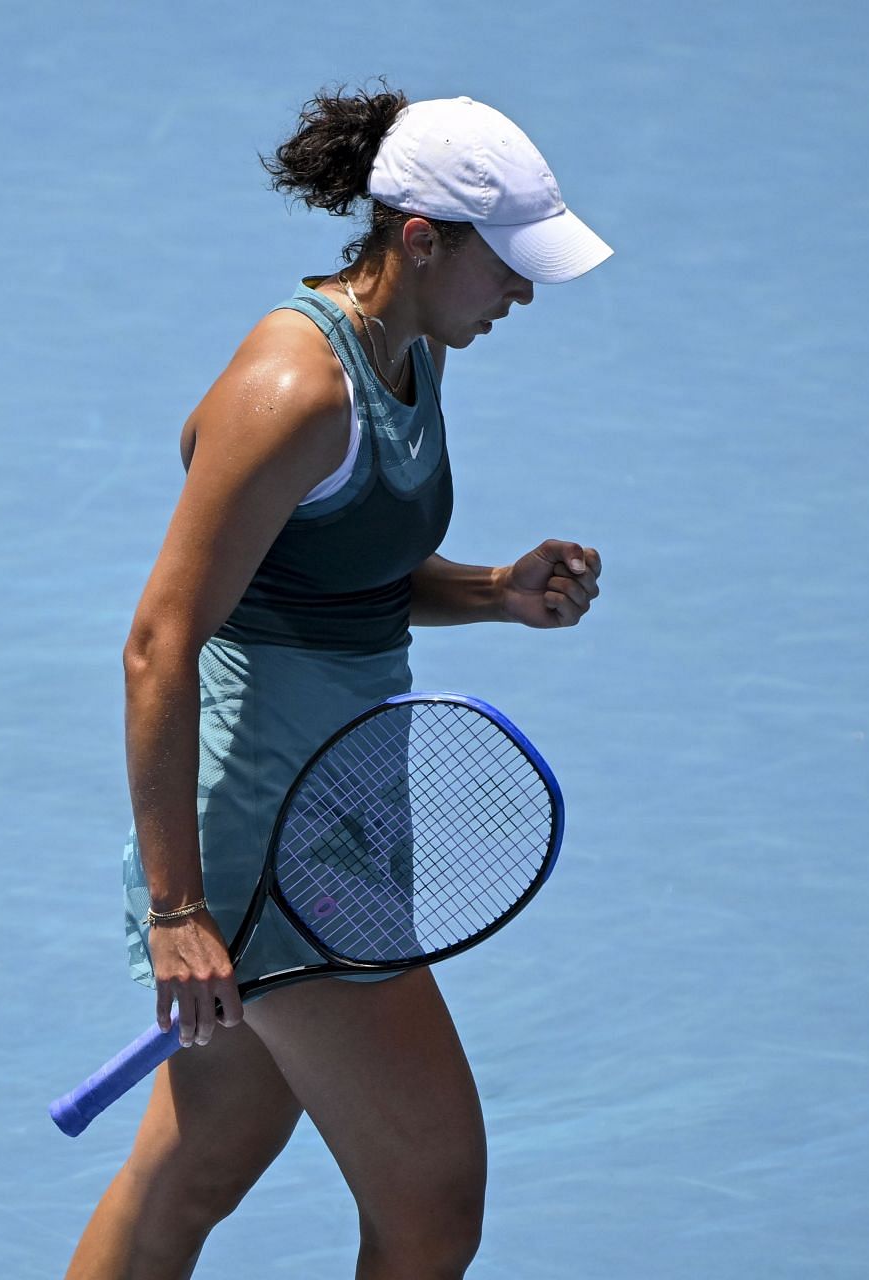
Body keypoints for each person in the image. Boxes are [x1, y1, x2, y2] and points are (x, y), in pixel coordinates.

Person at [64, 86, 612, 1280]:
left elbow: (333, 572)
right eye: (506, 265)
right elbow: (159, 641)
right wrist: (177, 911)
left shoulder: (407, 351)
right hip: (278, 860)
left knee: (197, 1165)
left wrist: (490, 590)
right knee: (433, 1203)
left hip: (331, 817)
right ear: (422, 240)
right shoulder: (296, 389)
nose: (520, 292)